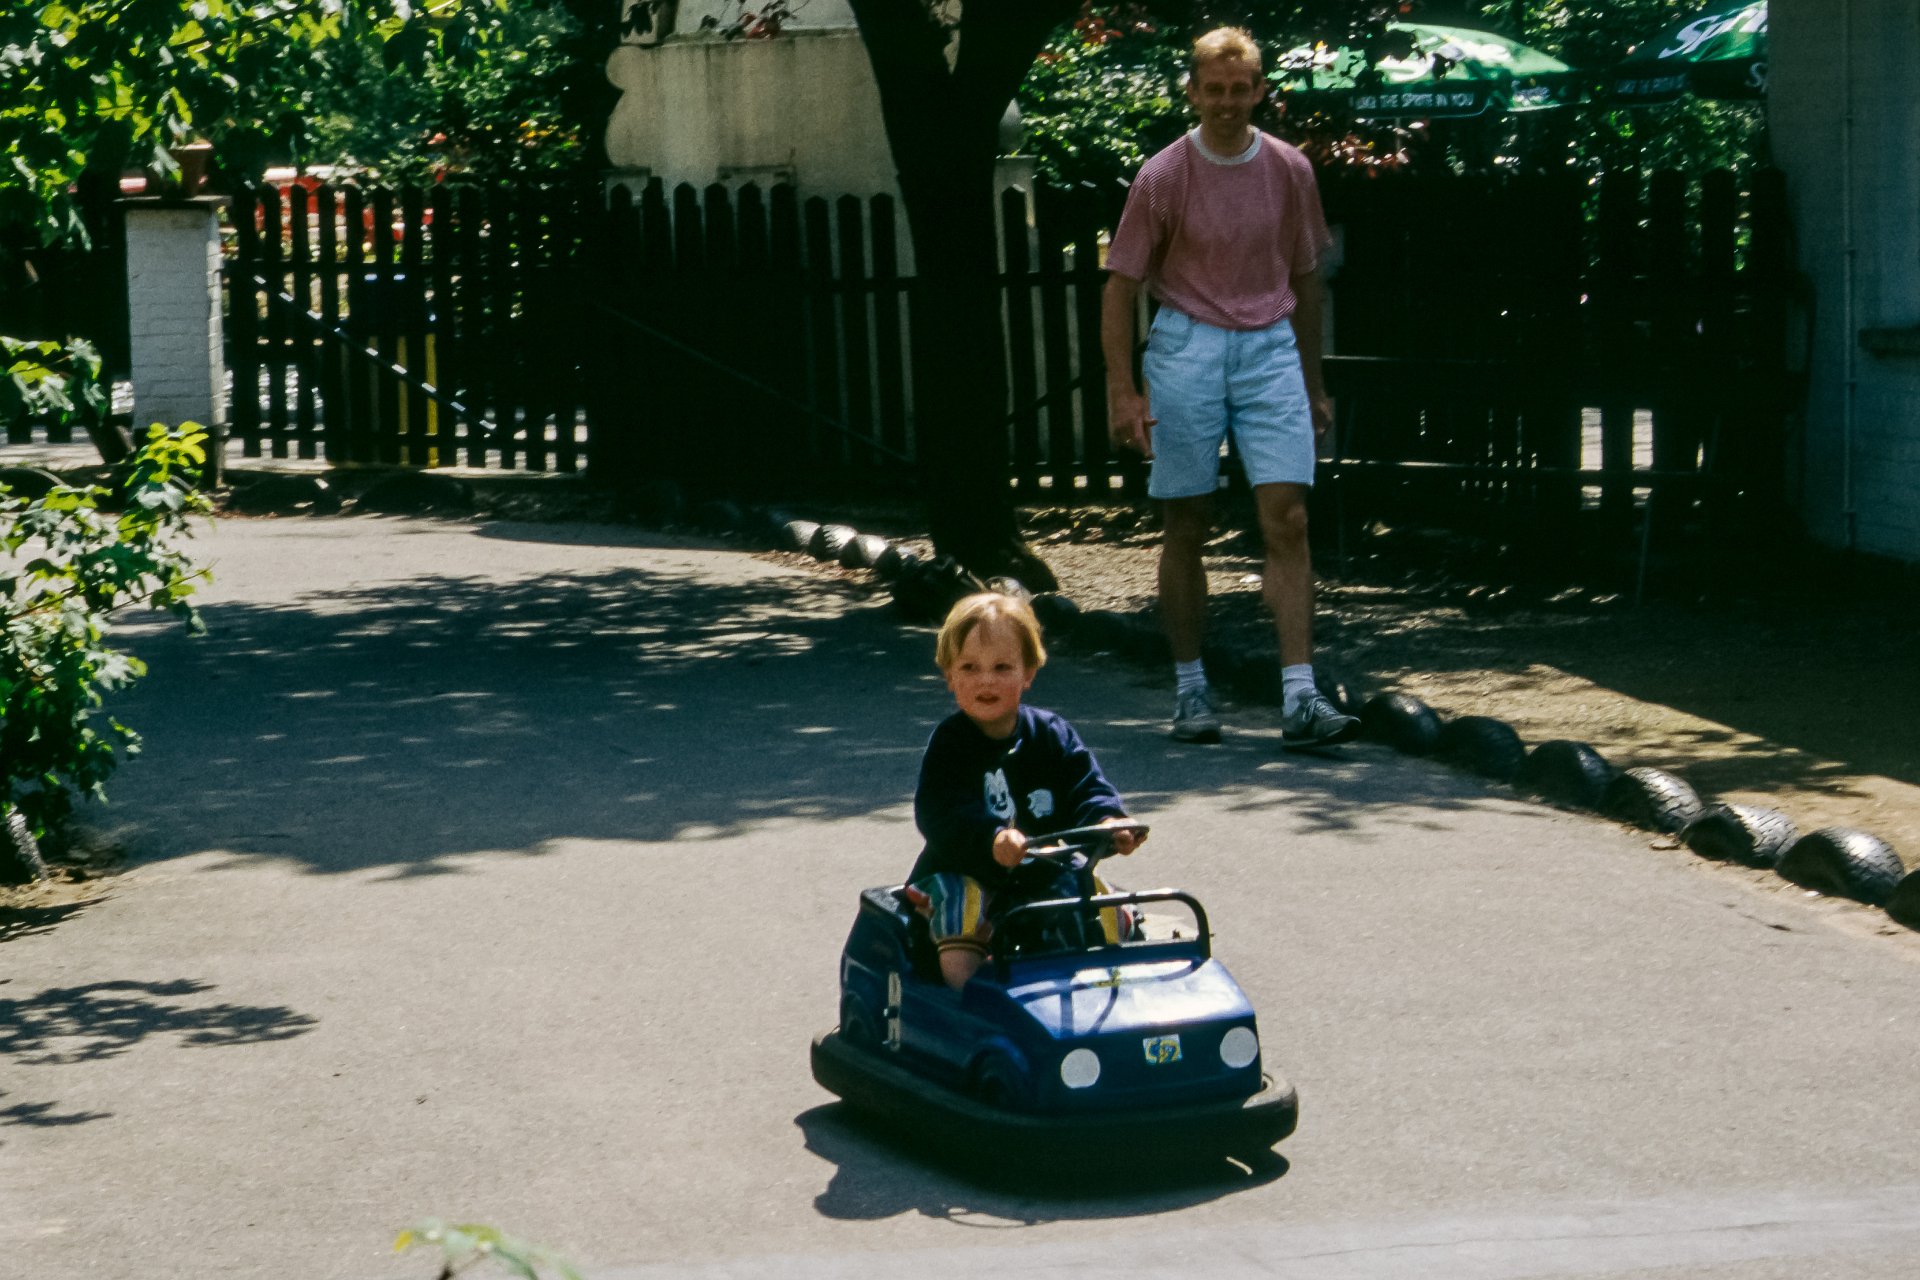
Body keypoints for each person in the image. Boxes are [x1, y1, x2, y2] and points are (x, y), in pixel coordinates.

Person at [1101, 25, 1361, 750]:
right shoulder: (1164, 175)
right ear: (1192, 92)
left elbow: (1307, 279)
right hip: (1187, 345)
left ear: (1259, 92)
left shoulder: (1288, 169)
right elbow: (1120, 287)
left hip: (1269, 345)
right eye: (1212, 89)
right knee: (1187, 520)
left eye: (1239, 89)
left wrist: (1313, 382)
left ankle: (1300, 697)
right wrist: (1124, 391)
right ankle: (1191, 689)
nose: (1226, 102)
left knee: (1289, 519)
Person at [907, 592, 1144, 991]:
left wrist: (1109, 822)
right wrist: (992, 837)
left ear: (1028, 674)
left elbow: (1085, 787)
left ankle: (1112, 990)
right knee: (964, 907)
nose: (986, 680)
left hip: (1039, 869)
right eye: (970, 667)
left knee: (1101, 899)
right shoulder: (951, 743)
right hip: (962, 869)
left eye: (1002, 667)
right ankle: (969, 1000)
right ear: (950, 676)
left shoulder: (1051, 734)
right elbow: (941, 811)